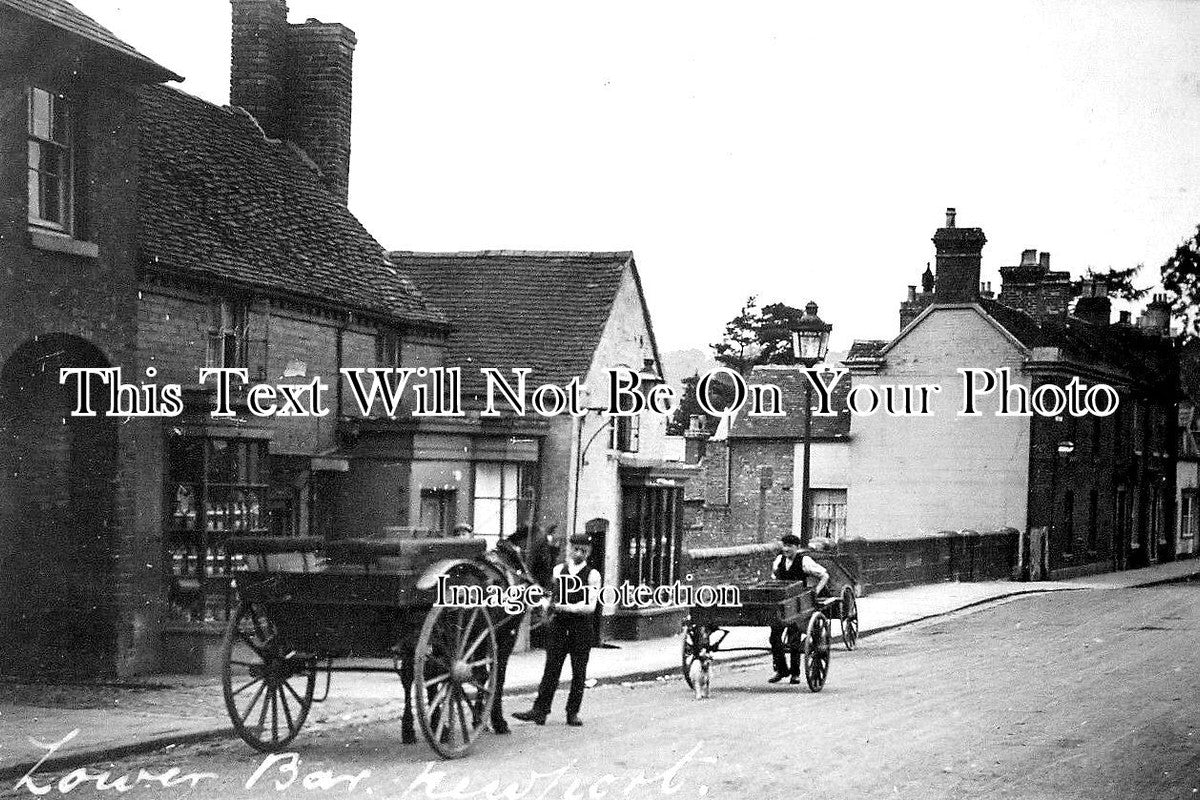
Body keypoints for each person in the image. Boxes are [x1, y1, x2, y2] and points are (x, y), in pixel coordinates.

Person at [513, 532, 601, 727]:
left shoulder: (592, 575)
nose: (579, 553)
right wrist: (545, 603)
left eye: (583, 550)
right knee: (551, 669)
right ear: (569, 549)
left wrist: (565, 607)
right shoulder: (558, 570)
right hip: (559, 626)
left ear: (588, 552)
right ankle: (540, 710)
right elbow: (550, 595)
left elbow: (590, 606)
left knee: (579, 672)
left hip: (581, 627)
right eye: (576, 549)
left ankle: (572, 712)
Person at [767, 533, 829, 684]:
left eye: (790, 546)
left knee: (794, 639)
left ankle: (795, 673)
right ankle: (781, 670)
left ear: (797, 547)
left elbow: (824, 575)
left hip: (798, 605)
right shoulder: (779, 560)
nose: (786, 549)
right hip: (782, 605)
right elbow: (774, 578)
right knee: (774, 638)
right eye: (784, 546)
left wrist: (815, 592)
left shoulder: (804, 560)